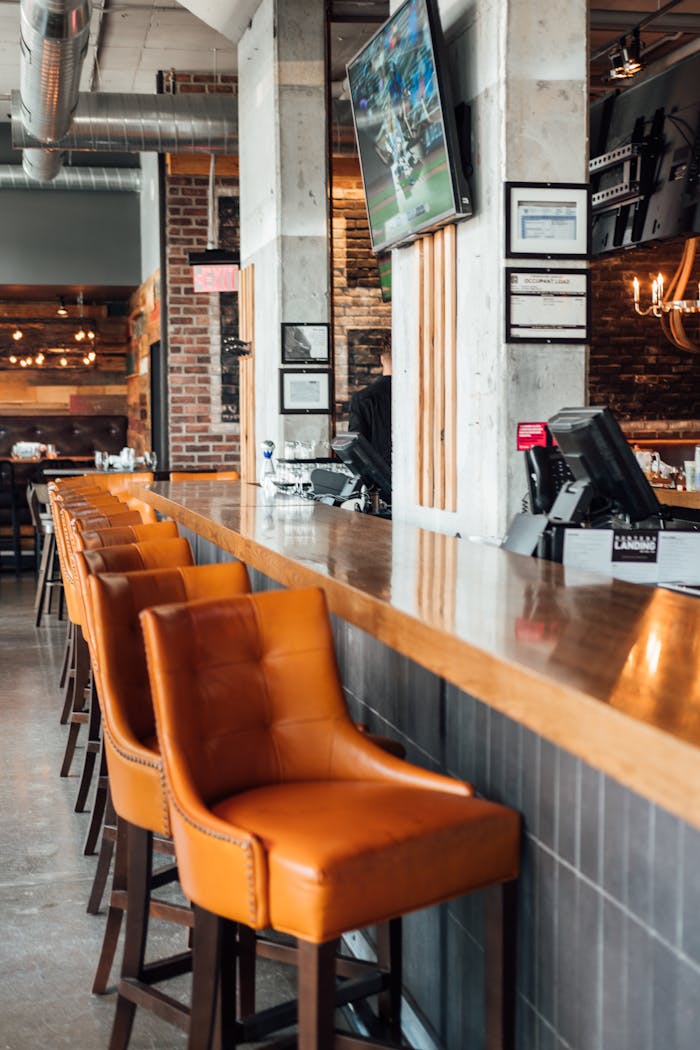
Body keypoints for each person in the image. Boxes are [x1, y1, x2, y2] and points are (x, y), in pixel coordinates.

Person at [348, 334, 392, 476]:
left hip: (380, 479)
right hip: (420, 477)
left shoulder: (362, 398)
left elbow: (356, 450)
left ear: (382, 359)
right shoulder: (420, 396)